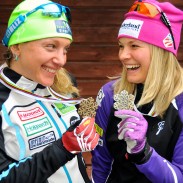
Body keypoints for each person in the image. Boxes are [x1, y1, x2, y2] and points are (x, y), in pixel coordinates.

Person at [0, 0, 99, 182]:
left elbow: (79, 111)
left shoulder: (63, 82)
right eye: (51, 46)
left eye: (65, 49)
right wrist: (63, 148)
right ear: (16, 46)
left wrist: (93, 117)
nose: (61, 60)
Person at [91, 0, 183, 182]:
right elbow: (101, 166)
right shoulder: (110, 94)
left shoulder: (180, 101)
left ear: (160, 52)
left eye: (134, 45)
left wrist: (143, 152)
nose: (123, 55)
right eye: (121, 46)